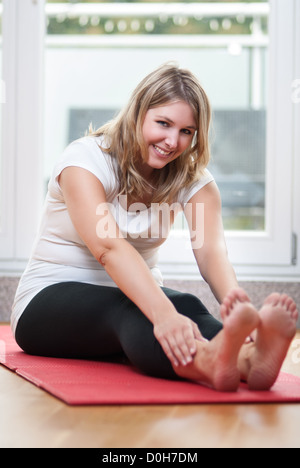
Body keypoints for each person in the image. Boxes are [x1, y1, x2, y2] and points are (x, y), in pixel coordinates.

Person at [12, 64, 298, 392]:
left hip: (133, 293)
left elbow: (210, 252)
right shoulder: (85, 161)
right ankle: (207, 363)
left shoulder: (193, 180)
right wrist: (162, 313)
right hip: (46, 302)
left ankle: (250, 358)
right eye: (163, 123)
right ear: (138, 114)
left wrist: (236, 302)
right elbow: (109, 248)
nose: (172, 141)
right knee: (139, 310)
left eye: (186, 131)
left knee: (186, 305)